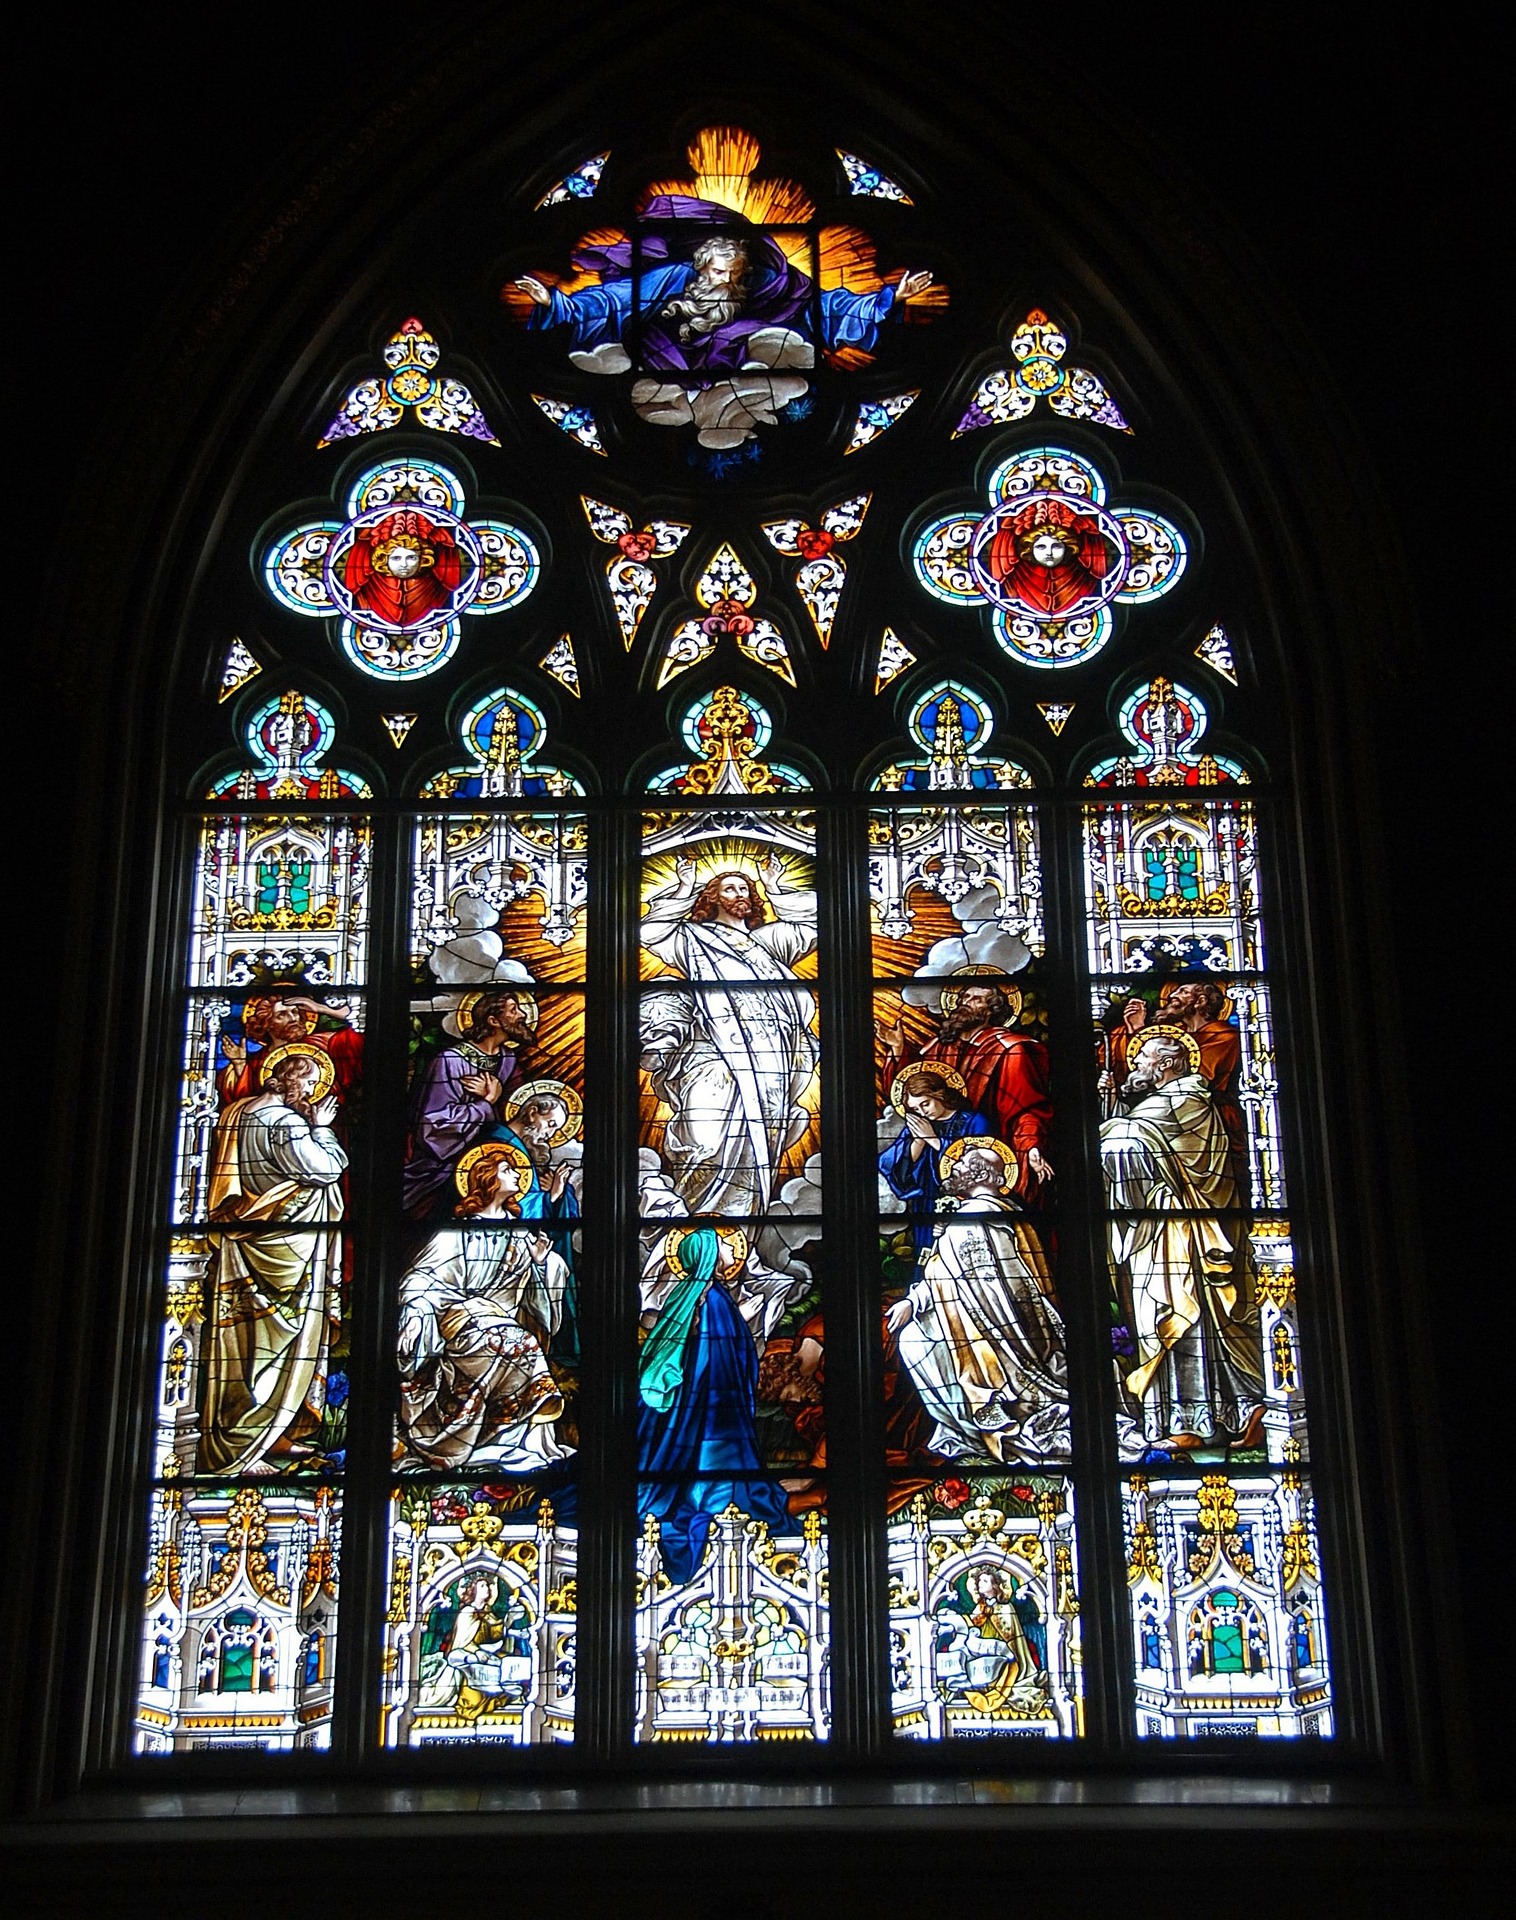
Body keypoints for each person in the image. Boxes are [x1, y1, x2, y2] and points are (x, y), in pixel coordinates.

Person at [514, 217, 935, 449]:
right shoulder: (671, 278)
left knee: (771, 346)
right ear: (701, 267)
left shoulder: (769, 286)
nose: (726, 281)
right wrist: (556, 303)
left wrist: (889, 299)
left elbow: (827, 307)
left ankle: (721, 409)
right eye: (718, 272)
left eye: (734, 274)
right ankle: (689, 404)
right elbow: (614, 300)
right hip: (667, 358)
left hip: (734, 363)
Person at [1100, 1028, 1265, 1451]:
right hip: (1159, 1229)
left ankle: (1199, 1418)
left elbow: (1128, 1141)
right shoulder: (1160, 1104)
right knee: (1169, 1317)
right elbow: (1132, 1133)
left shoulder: (1186, 1100)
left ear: (1168, 1064)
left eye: (1143, 1058)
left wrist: (1110, 1125)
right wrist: (1112, 1105)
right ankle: (1214, 1414)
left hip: (1183, 1236)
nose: (1136, 1064)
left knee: (1184, 1314)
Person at [197, 1043, 347, 1474]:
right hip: (290, 1244)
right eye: (309, 1081)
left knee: (242, 1341)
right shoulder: (285, 1122)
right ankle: (250, 1443)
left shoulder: (236, 1113)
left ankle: (263, 1435)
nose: (314, 1091)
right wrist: (322, 1130)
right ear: (287, 1079)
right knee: (278, 1342)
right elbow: (324, 1168)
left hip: (243, 1239)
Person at [640, 856, 818, 1215]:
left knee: (761, 1141)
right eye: (729, 888)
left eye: (744, 888)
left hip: (772, 1057)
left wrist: (775, 887)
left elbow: (815, 924)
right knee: (704, 1138)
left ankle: (742, 1232)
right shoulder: (692, 937)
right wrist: (683, 889)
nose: (740, 894)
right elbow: (649, 932)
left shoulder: (770, 941)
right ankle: (690, 1225)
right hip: (710, 1055)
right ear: (712, 898)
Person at [885, 1140, 1069, 1464]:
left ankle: (972, 1427)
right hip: (1000, 1323)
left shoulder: (971, 1219)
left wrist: (914, 1302)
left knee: (913, 1340)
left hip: (989, 1331)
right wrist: (914, 1301)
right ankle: (963, 1430)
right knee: (913, 1337)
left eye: (962, 1162)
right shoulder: (1004, 1214)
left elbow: (966, 1285)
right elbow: (950, 1275)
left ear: (981, 1175)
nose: (953, 1166)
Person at [396, 1142, 571, 1471]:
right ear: (487, 1179)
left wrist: (540, 1263)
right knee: (518, 1344)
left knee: (519, 1342)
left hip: (501, 1323)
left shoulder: (519, 1233)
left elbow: (537, 1283)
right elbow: (422, 1278)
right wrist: (416, 1316)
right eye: (507, 1170)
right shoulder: (459, 1232)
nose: (516, 1174)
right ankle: (490, 1439)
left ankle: (517, 1441)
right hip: (461, 1323)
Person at [636, 1226, 789, 1586]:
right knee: (718, 1473)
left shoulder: (688, 1294)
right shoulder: (714, 1298)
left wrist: (738, 1321)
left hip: (689, 1407)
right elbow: (719, 1354)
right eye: (722, 1244)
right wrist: (742, 1319)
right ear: (706, 1253)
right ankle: (716, 1499)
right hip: (713, 1410)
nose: (732, 1250)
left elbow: (695, 1344)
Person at [878, 980, 1053, 1205]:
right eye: (964, 998)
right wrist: (898, 1048)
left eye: (976, 999)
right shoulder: (940, 1047)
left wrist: (1031, 1145)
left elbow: (1026, 1108)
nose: (966, 1003)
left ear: (992, 1010)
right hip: (934, 1164)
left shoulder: (1011, 1049)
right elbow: (911, 1086)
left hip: (986, 1148)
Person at [403, 988, 536, 1218]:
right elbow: (432, 1127)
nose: (522, 1015)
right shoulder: (450, 1061)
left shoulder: (507, 1060)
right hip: (440, 1169)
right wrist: (486, 1103)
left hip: (491, 1160)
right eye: (514, 1010)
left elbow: (511, 1114)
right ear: (493, 1020)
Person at [1105, 983, 1246, 1179]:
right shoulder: (1174, 1033)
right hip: (1162, 1117)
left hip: (1201, 1120)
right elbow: (1135, 1070)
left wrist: (1141, 1033)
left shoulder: (1222, 1035)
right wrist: (1134, 1030)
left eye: (1183, 992)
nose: (1172, 995)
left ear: (1201, 1001)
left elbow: (1195, 1077)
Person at [878, 1064, 988, 1247]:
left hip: (967, 1201)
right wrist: (919, 1142)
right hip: (927, 1202)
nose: (923, 1112)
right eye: (916, 1109)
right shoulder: (919, 1126)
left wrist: (934, 1140)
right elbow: (892, 1165)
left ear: (940, 1095)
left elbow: (984, 1163)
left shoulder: (975, 1121)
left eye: (925, 1104)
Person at [934, 1566, 1048, 1715]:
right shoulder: (979, 1607)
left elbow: (1013, 1637)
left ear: (995, 1585)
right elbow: (969, 1627)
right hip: (979, 1653)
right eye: (979, 1581)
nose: (980, 1584)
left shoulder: (1007, 1608)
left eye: (985, 1581)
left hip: (1001, 1654)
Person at [980, 496, 1116, 618]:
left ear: (1069, 548)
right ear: (1028, 549)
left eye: (1056, 546)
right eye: (1041, 547)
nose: (1049, 553)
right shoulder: (1014, 581)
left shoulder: (1085, 582)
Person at [219, 992, 363, 1106]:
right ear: (266, 1024)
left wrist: (322, 1009)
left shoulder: (324, 1042)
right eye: (282, 1015)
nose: (293, 1018)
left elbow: (361, 1036)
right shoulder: (257, 1061)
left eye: (295, 1012)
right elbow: (243, 1103)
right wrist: (239, 1064)